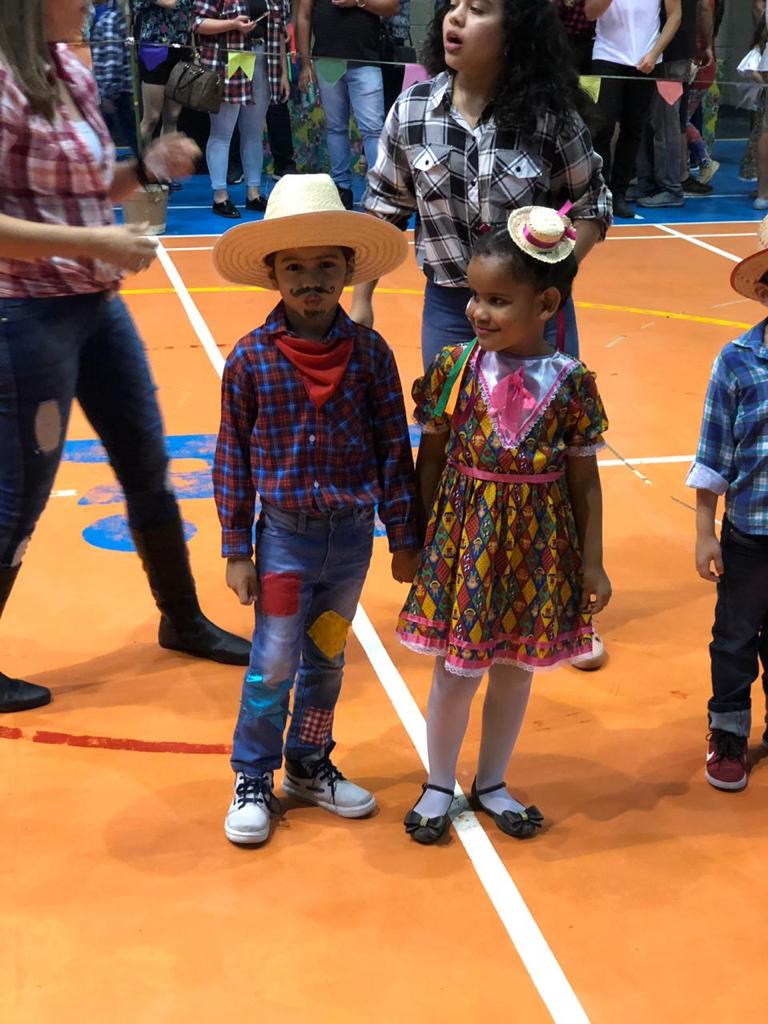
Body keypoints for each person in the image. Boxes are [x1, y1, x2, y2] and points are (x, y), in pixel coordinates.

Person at [0, 0, 252, 714]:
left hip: (93, 305)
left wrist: (144, 167)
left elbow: (89, 188)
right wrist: (95, 243)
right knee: (19, 497)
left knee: (146, 462)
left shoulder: (66, 69)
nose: (89, 3)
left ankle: (182, 618)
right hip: (25, 316)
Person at [211, 174, 419, 845]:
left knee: (327, 659)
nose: (311, 281)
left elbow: (394, 448)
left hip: (350, 545)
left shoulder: (371, 356)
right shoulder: (250, 360)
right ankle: (252, 776)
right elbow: (232, 458)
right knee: (273, 660)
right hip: (284, 543)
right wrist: (236, 548)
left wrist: (404, 535)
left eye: (326, 266)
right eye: (295, 268)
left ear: (348, 271)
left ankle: (307, 763)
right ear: (273, 274)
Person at [396, 205, 611, 844]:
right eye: (474, 297)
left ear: (546, 304)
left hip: (539, 548)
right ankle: (439, 782)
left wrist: (592, 561)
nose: (477, 312)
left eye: (497, 300)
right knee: (454, 670)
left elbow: (584, 481)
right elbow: (431, 458)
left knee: (516, 669)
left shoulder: (572, 383)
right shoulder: (454, 368)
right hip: (464, 542)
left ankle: (491, 781)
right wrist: (419, 540)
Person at [353, 0, 611, 371]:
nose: (455, 17)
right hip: (450, 309)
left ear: (513, 32)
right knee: (450, 406)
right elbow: (384, 208)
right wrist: (361, 302)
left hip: (532, 313)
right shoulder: (412, 111)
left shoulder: (549, 116)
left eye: (476, 9)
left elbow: (592, 205)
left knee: (546, 409)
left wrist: (552, 280)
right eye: (452, 5)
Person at [687, 216, 768, 792]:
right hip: (749, 538)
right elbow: (713, 453)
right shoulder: (737, 361)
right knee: (735, 640)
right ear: (763, 292)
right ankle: (730, 732)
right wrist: (704, 531)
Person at [296, 0, 399, 210]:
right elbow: (303, 16)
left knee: (373, 129)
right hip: (327, 59)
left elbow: (392, 7)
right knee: (336, 127)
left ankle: (377, 189)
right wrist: (305, 64)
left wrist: (358, 2)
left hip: (366, 60)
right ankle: (341, 187)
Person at [586, 0, 681, 219]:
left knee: (634, 128)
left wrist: (655, 53)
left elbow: (675, 15)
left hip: (646, 60)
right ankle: (599, 190)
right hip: (607, 56)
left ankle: (619, 191)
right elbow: (590, 13)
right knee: (602, 126)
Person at [193, 0, 289, 218]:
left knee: (254, 132)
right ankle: (220, 196)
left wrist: (284, 72)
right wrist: (232, 24)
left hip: (264, 60)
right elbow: (198, 23)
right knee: (222, 132)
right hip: (229, 60)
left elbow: (279, 32)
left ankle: (254, 193)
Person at [133, 0, 196, 148]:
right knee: (152, 117)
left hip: (181, 46)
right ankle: (140, 159)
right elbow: (170, 3)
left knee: (173, 116)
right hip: (154, 47)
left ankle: (168, 160)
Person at [89, 1, 135, 148]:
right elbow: (111, 58)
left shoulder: (110, 19)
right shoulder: (109, 19)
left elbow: (113, 59)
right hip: (115, 91)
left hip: (115, 91)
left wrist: (109, 93)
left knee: (123, 135)